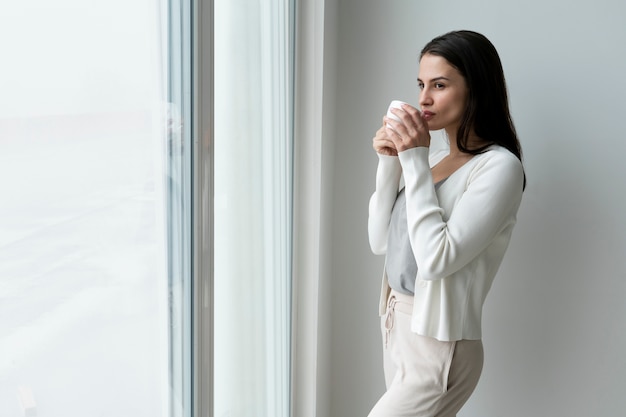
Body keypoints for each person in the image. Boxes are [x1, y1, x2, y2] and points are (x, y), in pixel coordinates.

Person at [367, 30, 525, 417]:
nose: (424, 98)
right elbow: (379, 242)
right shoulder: (433, 158)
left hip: (439, 342)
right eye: (421, 84)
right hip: (397, 327)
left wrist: (414, 161)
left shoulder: (499, 167)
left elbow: (436, 260)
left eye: (439, 85)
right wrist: (391, 162)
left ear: (476, 88)